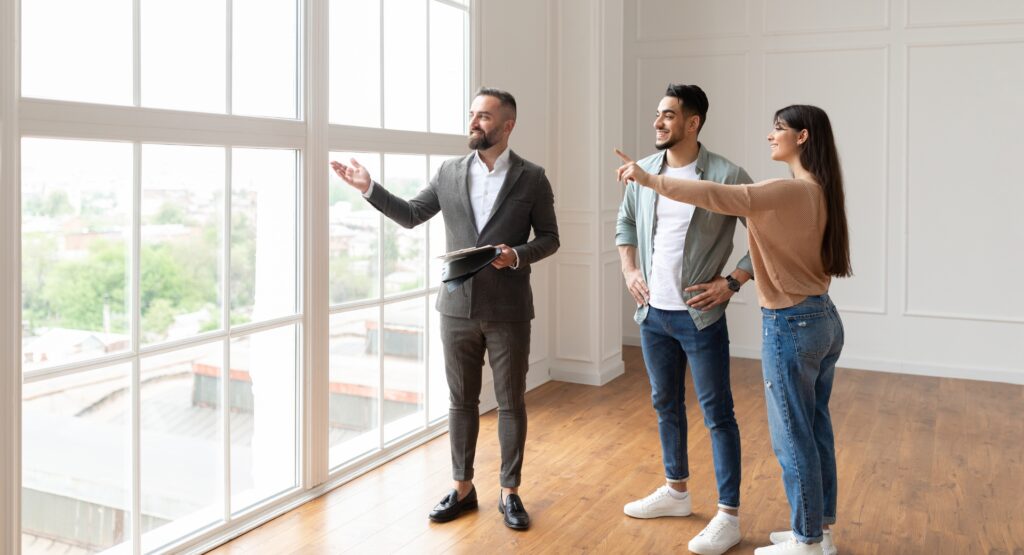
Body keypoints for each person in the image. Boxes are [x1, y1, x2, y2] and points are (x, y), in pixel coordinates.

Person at [615, 103, 852, 555]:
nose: (770, 135)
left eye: (778, 129)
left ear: (802, 137)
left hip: (791, 323)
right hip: (820, 317)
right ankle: (820, 534)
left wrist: (646, 179)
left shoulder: (787, 191)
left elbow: (715, 196)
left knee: (793, 437)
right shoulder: (817, 190)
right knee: (815, 428)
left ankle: (805, 542)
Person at [331, 88, 559, 530]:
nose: (475, 122)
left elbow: (549, 238)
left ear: (507, 125)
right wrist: (369, 189)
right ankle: (462, 488)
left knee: (511, 402)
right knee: (461, 402)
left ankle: (509, 493)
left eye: (485, 116)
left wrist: (516, 255)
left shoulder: (532, 178)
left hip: (509, 307)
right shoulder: (449, 171)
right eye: (472, 114)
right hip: (455, 308)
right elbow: (413, 213)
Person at [615, 84, 753, 555]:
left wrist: (732, 281)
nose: (658, 122)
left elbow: (766, 230)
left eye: (668, 115)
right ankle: (676, 492)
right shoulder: (646, 170)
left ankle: (729, 516)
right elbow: (626, 224)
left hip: (701, 318)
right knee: (665, 404)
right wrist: (630, 268)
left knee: (718, 415)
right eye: (658, 114)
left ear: (693, 123)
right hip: (653, 315)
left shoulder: (726, 174)